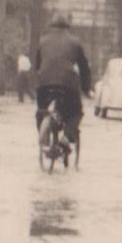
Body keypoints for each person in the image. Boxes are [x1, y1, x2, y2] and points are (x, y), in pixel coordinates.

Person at [33, 14, 92, 148]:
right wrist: (86, 88)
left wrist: (37, 83)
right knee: (76, 111)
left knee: (41, 110)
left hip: (44, 84)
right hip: (67, 84)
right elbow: (84, 67)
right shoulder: (75, 42)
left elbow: (37, 65)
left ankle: (44, 137)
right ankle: (67, 136)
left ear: (51, 27)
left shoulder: (42, 41)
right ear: (67, 28)